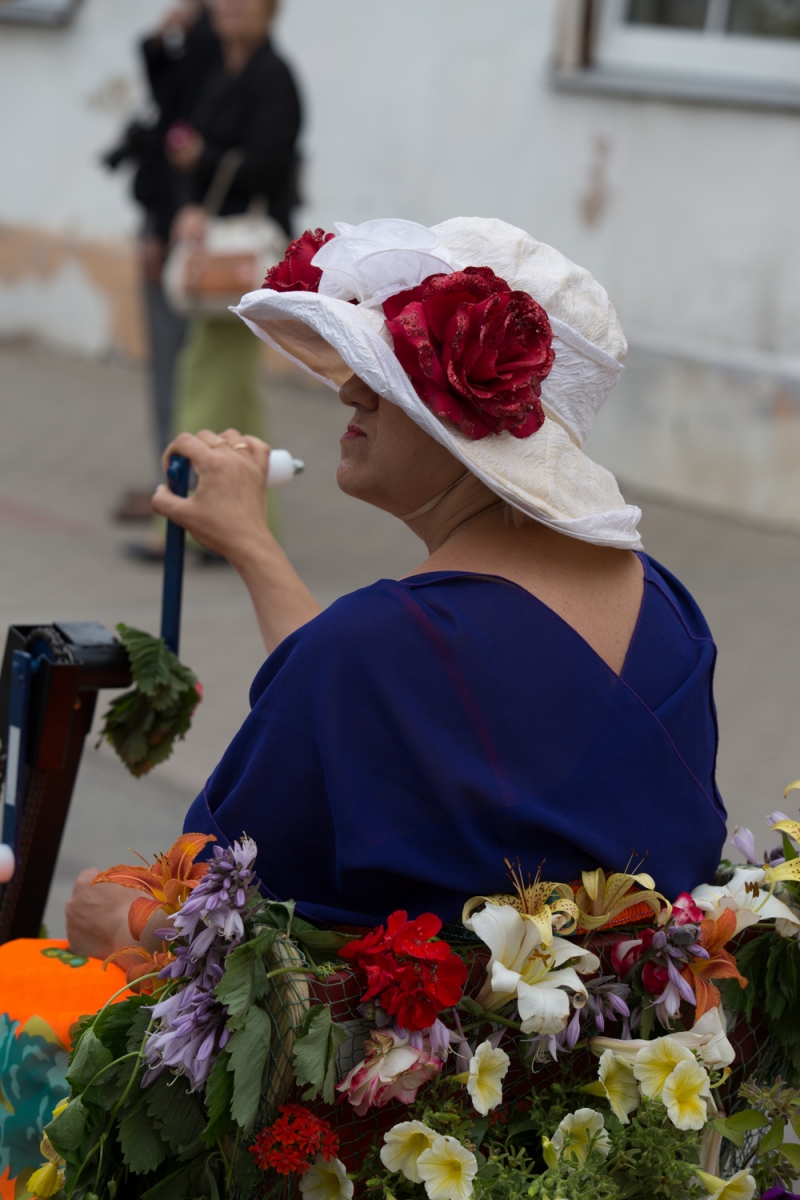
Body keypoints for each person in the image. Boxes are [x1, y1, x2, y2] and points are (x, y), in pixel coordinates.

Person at [66, 216, 727, 958]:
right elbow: (385, 712)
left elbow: (221, 930)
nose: (349, 392)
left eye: (386, 375)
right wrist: (254, 547)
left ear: (473, 418)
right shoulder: (664, 603)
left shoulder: (376, 646)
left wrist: (120, 922)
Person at [106, 1, 222, 521]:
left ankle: (180, 486)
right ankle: (178, 481)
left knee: (178, 369)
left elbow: (175, 140)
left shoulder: (216, 49)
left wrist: (158, 228)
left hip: (182, 238)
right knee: (180, 370)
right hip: (184, 231)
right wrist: (160, 40)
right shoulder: (207, 45)